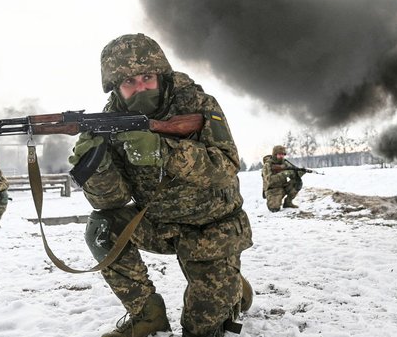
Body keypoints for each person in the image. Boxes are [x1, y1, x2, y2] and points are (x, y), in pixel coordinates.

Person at [68, 33, 253, 337]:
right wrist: (96, 165)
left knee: (200, 331)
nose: (140, 87)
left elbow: (226, 168)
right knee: (102, 227)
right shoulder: (109, 121)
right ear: (116, 87)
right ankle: (147, 316)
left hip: (212, 231)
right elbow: (111, 201)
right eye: (129, 82)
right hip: (158, 226)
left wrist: (163, 152)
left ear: (160, 74)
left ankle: (231, 284)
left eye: (146, 77)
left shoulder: (197, 103)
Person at [260, 145, 308, 212]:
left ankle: (288, 203)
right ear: (274, 154)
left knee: (297, 182)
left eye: (283, 154)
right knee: (274, 209)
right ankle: (274, 201)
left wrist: (300, 172)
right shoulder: (267, 165)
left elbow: (293, 175)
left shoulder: (285, 162)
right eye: (280, 154)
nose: (282, 156)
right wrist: (285, 173)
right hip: (272, 190)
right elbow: (270, 181)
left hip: (283, 187)